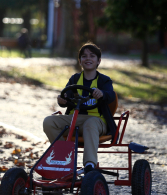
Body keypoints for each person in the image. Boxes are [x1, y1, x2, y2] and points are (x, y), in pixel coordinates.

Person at [43, 43, 117, 175]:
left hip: (97, 121)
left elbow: (111, 95)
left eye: (92, 56)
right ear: (80, 61)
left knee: (90, 123)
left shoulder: (104, 81)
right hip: (74, 119)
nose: (88, 58)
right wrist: (62, 100)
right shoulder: (75, 79)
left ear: (98, 60)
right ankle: (63, 157)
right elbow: (66, 97)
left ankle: (89, 164)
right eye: (84, 56)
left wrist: (102, 94)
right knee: (48, 121)